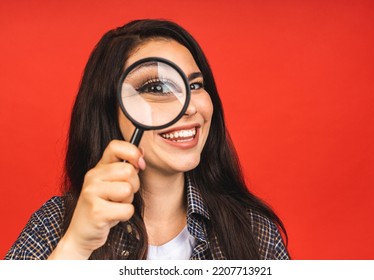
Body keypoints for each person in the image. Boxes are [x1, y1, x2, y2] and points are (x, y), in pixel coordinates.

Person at [5, 19, 289, 260]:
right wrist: (75, 247)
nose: (189, 106)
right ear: (110, 110)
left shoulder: (254, 232)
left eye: (195, 85)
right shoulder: (55, 226)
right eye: (157, 87)